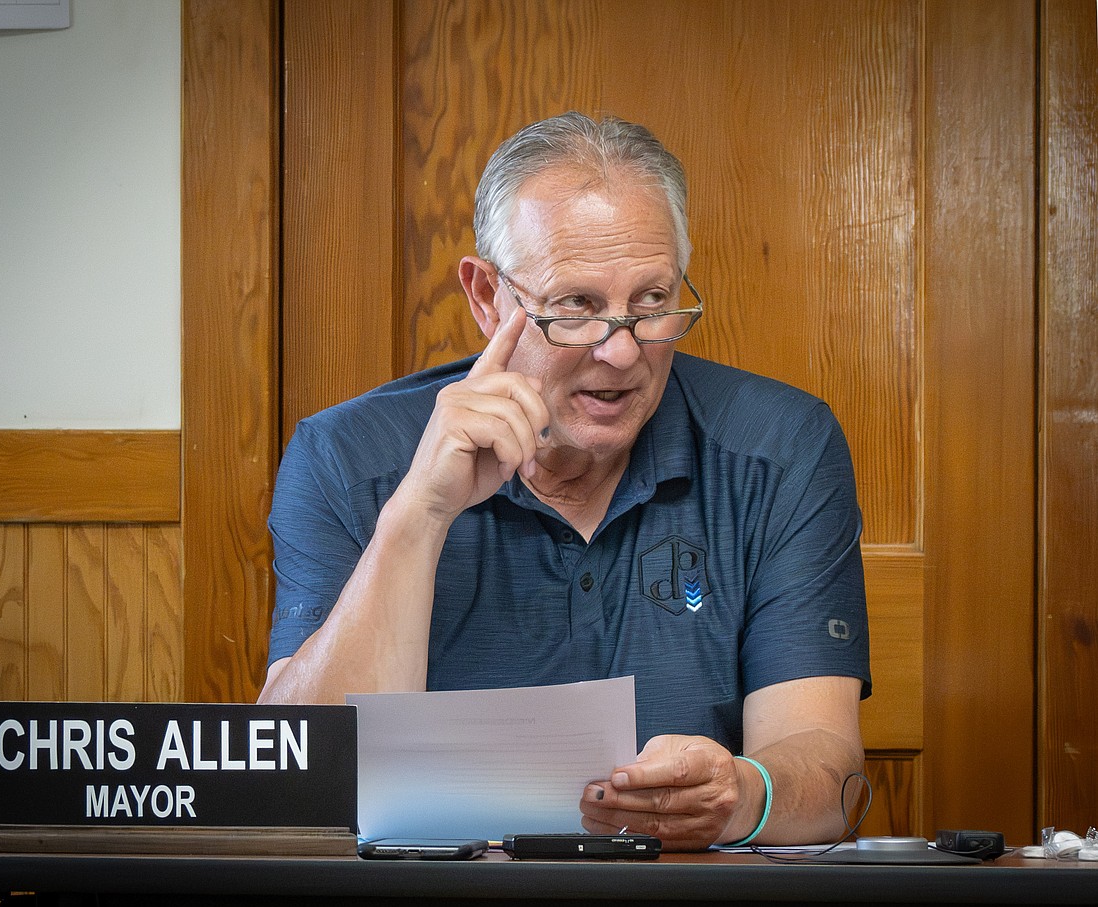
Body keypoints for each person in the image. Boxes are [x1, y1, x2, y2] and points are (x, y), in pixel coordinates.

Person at [258, 111, 871, 851]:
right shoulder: (345, 457)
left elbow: (826, 766)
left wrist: (744, 794)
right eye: (576, 307)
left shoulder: (782, 448)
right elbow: (299, 779)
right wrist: (418, 515)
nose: (620, 351)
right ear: (488, 297)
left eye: (652, 302)